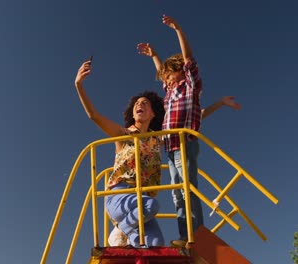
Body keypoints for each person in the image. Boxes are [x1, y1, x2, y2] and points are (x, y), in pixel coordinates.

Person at [136, 15, 241, 247]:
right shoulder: (170, 93)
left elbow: (188, 60)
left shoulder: (189, 87)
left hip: (185, 145)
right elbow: (199, 113)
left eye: (170, 76)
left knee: (188, 189)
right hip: (170, 147)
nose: (167, 81)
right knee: (177, 192)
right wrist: (154, 56)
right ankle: (186, 236)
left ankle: (197, 235)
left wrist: (178, 30)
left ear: (180, 73)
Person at [74, 59, 166, 247]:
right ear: (133, 113)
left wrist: (219, 104)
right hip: (120, 195)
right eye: (137, 104)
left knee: (156, 244)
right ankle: (121, 229)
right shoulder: (123, 134)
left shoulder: (157, 139)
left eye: (146, 103)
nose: (140, 104)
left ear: (153, 114)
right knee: (151, 206)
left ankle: (127, 234)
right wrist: (79, 85)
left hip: (141, 201)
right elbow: (94, 115)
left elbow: (186, 121)